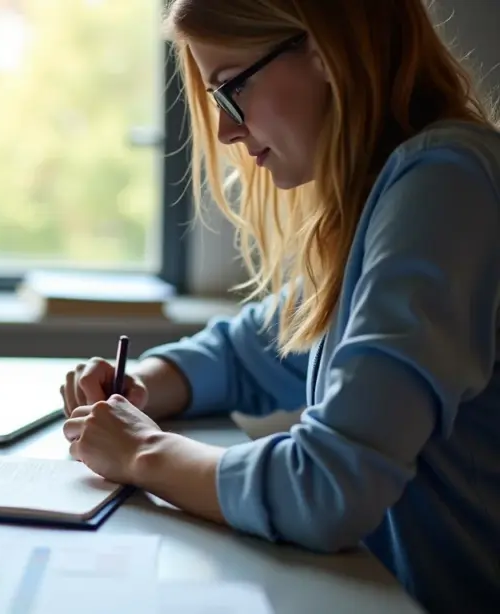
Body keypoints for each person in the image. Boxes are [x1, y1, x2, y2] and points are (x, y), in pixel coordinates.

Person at [60, 1, 500, 612]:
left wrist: (141, 453)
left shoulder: (445, 188)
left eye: (231, 89)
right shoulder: (390, 197)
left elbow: (327, 487)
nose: (226, 132)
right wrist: (139, 386)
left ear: (323, 49)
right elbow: (254, 351)